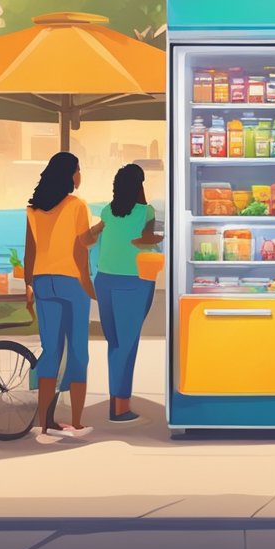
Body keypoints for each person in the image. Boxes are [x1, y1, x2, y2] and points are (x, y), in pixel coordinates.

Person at [25, 152, 100, 442]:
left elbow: (29, 250)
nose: (80, 175)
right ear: (70, 174)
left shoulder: (32, 210)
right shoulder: (77, 205)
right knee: (78, 350)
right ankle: (78, 423)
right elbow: (80, 249)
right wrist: (86, 282)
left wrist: (28, 287)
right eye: (78, 170)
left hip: (43, 283)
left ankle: (44, 424)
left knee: (51, 350)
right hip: (71, 282)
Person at [92, 164, 162, 424]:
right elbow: (147, 239)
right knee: (127, 344)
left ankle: (116, 401)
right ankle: (120, 408)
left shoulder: (107, 211)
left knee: (115, 343)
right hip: (135, 281)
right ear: (139, 186)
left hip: (105, 281)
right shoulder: (147, 211)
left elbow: (100, 237)